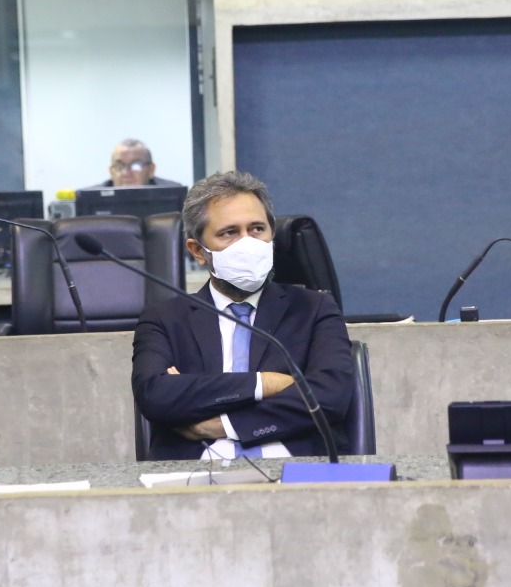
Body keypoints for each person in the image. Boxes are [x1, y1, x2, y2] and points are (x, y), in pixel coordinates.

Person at [132, 170, 354, 460]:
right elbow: (157, 396)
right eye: (229, 233)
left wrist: (226, 423)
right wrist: (266, 383)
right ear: (198, 251)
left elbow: (330, 396)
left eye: (257, 229)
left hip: (295, 469)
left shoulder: (314, 309)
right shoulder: (166, 318)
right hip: (193, 472)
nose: (247, 243)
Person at [96, 139, 182, 188]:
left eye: (135, 166)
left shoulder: (173, 193)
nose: (126, 173)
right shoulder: (91, 198)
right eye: (120, 166)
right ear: (111, 172)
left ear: (151, 170)